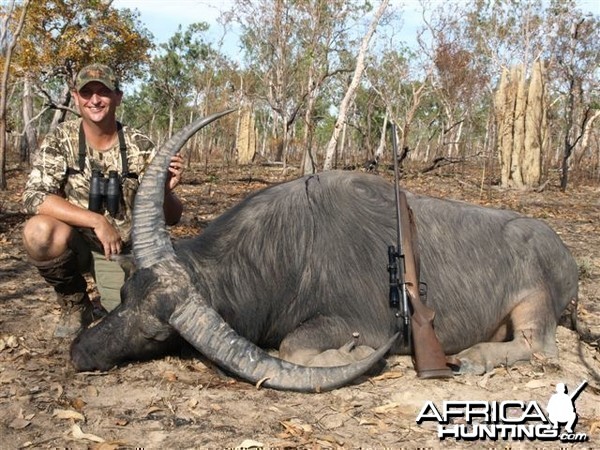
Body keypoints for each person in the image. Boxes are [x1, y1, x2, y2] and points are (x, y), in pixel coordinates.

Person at [22, 63, 184, 338]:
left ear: (118, 97)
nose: (95, 100)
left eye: (103, 92)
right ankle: (75, 304)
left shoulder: (140, 145)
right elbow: (33, 197)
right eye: (87, 93)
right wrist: (96, 221)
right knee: (38, 231)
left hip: (129, 251)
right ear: (76, 97)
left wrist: (165, 191)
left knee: (135, 319)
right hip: (81, 245)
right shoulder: (62, 139)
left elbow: (172, 217)